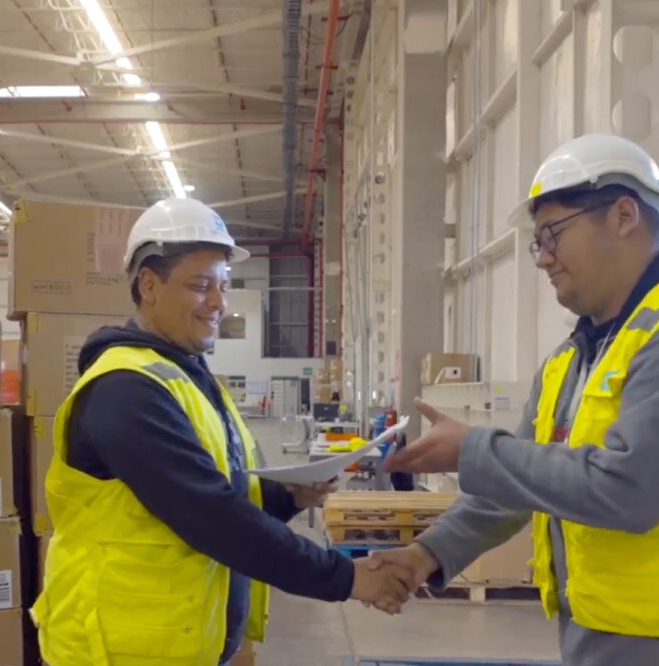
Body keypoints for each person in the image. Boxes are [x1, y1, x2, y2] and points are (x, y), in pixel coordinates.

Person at [373, 134, 659, 666]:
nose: (543, 259)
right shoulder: (574, 358)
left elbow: (630, 489)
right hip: (600, 637)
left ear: (624, 215)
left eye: (552, 234)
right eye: (539, 242)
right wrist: (427, 554)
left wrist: (473, 451)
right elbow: (522, 485)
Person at [31, 198, 412, 666]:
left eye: (224, 286)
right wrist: (348, 578)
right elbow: (211, 515)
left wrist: (288, 496)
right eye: (200, 286)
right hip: (114, 648)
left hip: (171, 643)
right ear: (148, 284)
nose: (219, 302)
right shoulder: (126, 389)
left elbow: (222, 491)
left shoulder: (189, 378)